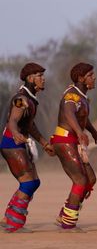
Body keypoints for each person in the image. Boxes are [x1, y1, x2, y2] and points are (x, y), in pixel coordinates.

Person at [51, 62, 97, 232]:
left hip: (74, 140)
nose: (94, 77)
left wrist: (94, 132)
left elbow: (83, 118)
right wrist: (79, 132)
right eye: (90, 75)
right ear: (81, 78)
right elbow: (69, 113)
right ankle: (68, 223)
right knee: (80, 180)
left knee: (90, 179)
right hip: (65, 139)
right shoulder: (72, 95)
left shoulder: (82, 96)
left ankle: (65, 213)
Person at [1, 63, 54, 233]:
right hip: (11, 143)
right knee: (29, 182)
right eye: (39, 75)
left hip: (18, 143)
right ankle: (13, 223)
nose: (43, 79)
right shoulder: (21, 98)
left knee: (34, 182)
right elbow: (12, 121)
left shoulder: (31, 99)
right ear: (30, 78)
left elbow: (30, 126)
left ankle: (8, 218)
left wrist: (44, 143)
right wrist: (15, 133)